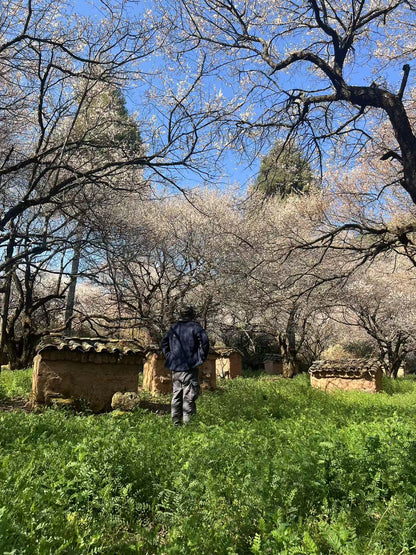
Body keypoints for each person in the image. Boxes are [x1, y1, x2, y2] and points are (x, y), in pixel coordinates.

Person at [161, 306, 210, 425]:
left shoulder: (173, 328)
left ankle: (176, 422)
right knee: (189, 395)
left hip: (176, 368)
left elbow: (164, 343)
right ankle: (189, 425)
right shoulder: (195, 327)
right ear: (192, 315)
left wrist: (169, 356)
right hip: (190, 367)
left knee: (176, 394)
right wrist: (200, 358)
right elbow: (205, 343)